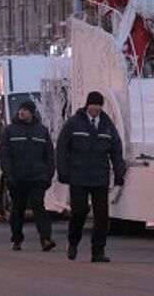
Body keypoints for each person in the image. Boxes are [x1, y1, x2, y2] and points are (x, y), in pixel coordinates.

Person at [56, 91, 126, 262]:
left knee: (102, 216)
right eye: (92, 105)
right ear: (87, 106)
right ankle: (73, 242)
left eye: (98, 105)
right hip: (78, 176)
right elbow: (62, 148)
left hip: (99, 177)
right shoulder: (74, 123)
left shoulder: (107, 126)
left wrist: (119, 172)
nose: (95, 108)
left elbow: (116, 150)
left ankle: (98, 251)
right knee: (79, 211)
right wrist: (62, 171)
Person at [0, 100, 56, 252]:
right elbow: (4, 155)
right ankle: (16, 239)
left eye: (25, 110)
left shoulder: (41, 131)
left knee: (39, 206)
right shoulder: (10, 131)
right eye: (20, 110)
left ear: (32, 112)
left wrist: (48, 176)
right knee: (18, 209)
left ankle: (45, 239)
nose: (21, 112)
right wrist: (8, 175)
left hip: (37, 177)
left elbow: (49, 155)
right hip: (17, 178)